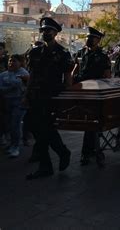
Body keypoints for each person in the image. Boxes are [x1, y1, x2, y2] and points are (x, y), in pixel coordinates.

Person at [24, 17, 73, 180]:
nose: (46, 33)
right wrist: (26, 95)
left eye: (49, 30)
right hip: (35, 96)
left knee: (45, 129)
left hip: (52, 97)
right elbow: (31, 75)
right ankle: (62, 151)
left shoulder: (62, 53)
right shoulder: (35, 52)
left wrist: (67, 99)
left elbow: (67, 78)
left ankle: (46, 166)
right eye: (44, 30)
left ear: (56, 33)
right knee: (34, 127)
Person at [72, 26, 111, 166]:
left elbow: (107, 76)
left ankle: (87, 152)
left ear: (98, 40)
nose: (89, 39)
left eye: (92, 38)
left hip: (96, 93)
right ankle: (93, 149)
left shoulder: (103, 56)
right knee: (88, 124)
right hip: (82, 92)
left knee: (91, 125)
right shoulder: (80, 53)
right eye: (88, 37)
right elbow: (74, 72)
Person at [0, 55, 29, 157]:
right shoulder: (3, 75)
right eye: (9, 61)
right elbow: (2, 88)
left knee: (15, 124)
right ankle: (10, 143)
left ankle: (15, 147)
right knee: (7, 124)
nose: (11, 63)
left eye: (14, 61)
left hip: (19, 103)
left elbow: (20, 85)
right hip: (6, 103)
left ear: (20, 62)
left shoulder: (24, 73)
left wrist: (12, 84)